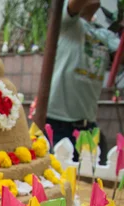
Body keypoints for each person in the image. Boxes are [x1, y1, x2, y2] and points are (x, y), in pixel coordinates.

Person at [47, 0, 120, 164]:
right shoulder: (66, 22)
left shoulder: (105, 35)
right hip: (56, 122)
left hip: (88, 124)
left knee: (90, 181)